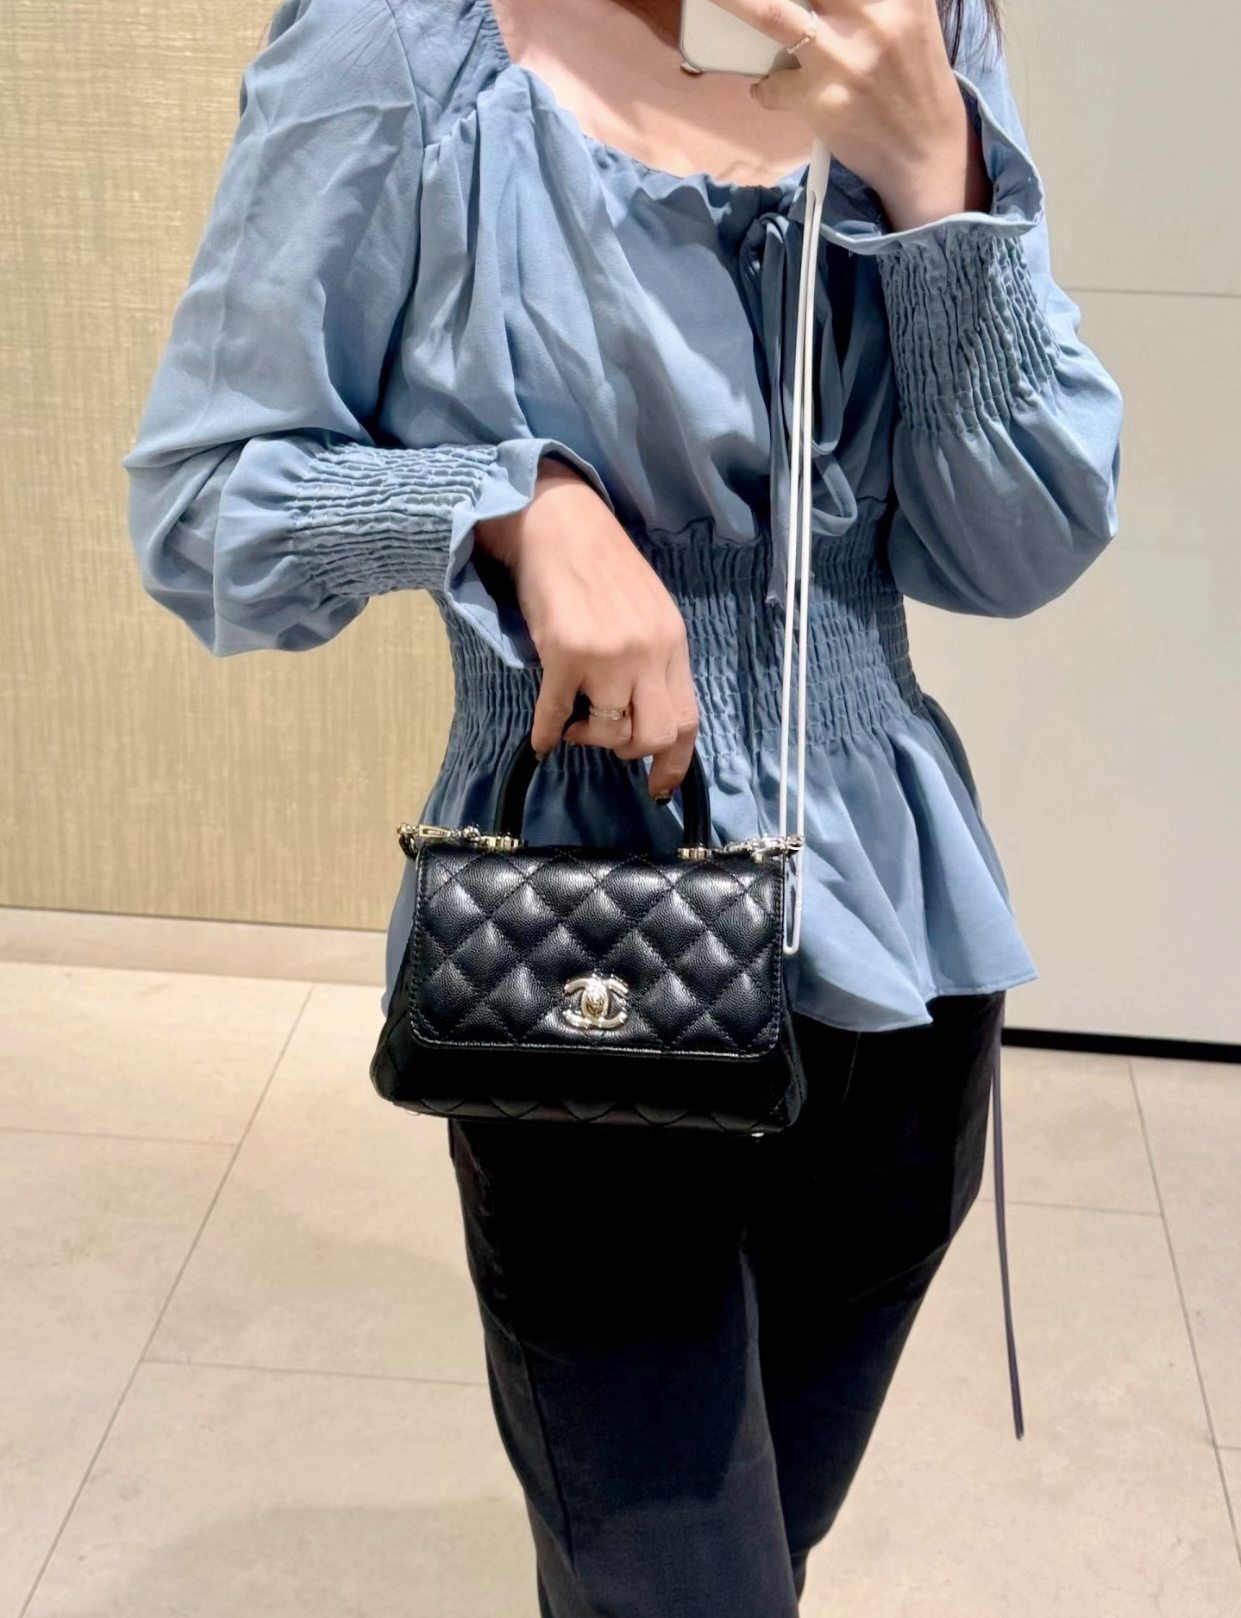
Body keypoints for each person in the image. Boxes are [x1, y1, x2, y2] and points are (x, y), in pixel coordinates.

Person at [121, 0, 1125, 1610]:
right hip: (579, 969)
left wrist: (933, 176)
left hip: (905, 973)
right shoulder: (403, 45)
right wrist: (509, 505)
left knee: (751, 1561)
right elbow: (199, 505)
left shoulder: (920, 28)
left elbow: (1016, 545)